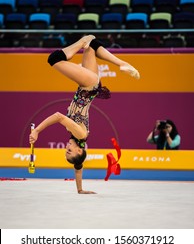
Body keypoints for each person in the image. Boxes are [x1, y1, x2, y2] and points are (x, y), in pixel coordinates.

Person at [29, 35, 140, 194]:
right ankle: (82, 42)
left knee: (92, 45)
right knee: (54, 59)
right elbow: (58, 116)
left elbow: (78, 167)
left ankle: (121, 63)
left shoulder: (77, 136)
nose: (66, 147)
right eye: (69, 151)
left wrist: (80, 189)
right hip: (88, 86)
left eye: (66, 150)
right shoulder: (80, 134)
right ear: (79, 151)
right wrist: (37, 131)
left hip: (89, 85)